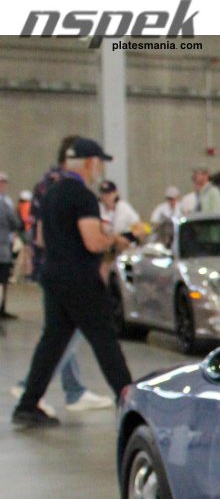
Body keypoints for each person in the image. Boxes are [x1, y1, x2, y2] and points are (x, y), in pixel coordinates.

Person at [12, 138, 133, 429]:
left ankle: (28, 405)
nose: (101, 169)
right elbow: (93, 242)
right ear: (90, 163)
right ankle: (131, 401)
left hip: (53, 276)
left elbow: (40, 238)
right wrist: (115, 240)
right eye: (100, 163)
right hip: (80, 280)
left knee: (53, 341)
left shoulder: (51, 193)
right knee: (104, 340)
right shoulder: (82, 196)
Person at [0, 172, 21, 320]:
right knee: (2, 279)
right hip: (2, 246)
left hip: (5, 244)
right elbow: (14, 222)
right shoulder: (4, 203)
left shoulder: (6, 200)